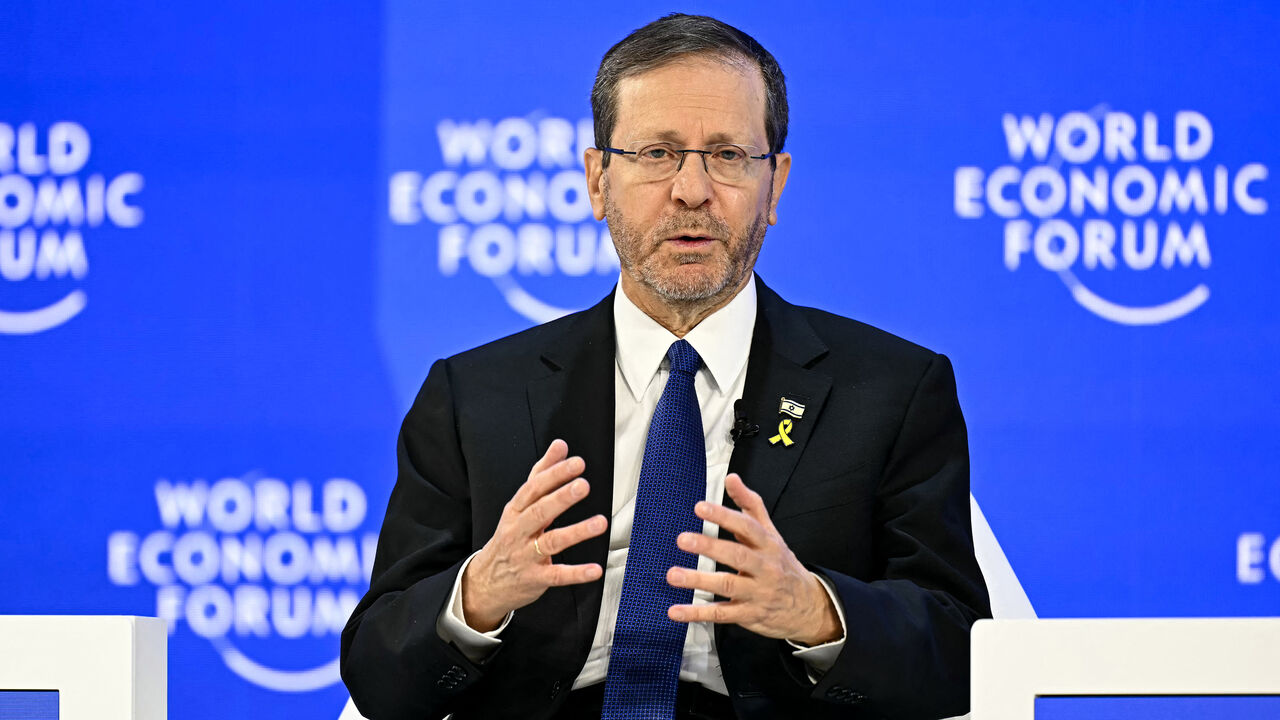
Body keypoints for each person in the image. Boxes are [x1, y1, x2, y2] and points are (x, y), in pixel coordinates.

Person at [342, 13, 989, 720]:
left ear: (776, 186)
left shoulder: (890, 390)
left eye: (729, 155)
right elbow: (378, 671)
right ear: (597, 180)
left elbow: (962, 651)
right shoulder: (474, 397)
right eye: (656, 153)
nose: (691, 190)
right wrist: (476, 595)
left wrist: (816, 612)